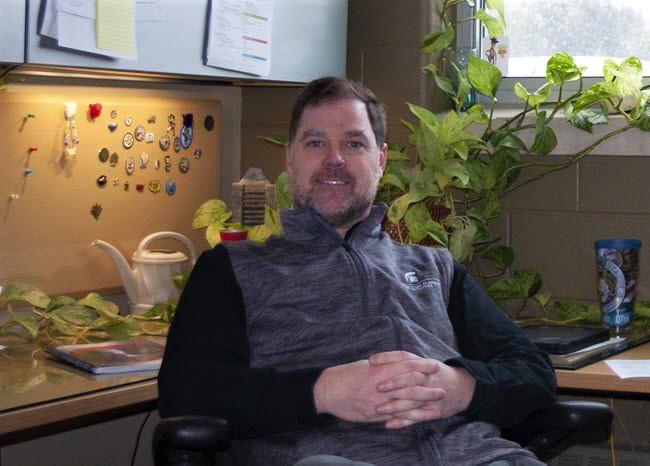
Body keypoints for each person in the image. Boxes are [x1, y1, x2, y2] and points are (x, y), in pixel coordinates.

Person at [158, 76, 557, 466]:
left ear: (380, 160)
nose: (334, 159)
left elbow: (534, 372)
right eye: (315, 143)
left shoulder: (435, 268)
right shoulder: (232, 270)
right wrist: (322, 391)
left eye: (353, 143)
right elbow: (187, 392)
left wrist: (461, 387)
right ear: (290, 159)